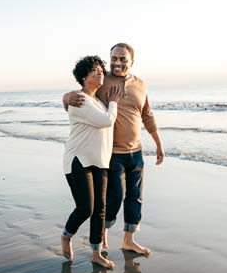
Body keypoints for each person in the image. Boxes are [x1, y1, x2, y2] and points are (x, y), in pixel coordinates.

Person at [63, 43, 164, 255]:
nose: (117, 63)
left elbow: (147, 114)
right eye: (114, 58)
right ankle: (103, 233)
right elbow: (83, 95)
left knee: (135, 197)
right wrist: (65, 97)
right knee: (115, 197)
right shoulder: (103, 80)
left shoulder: (141, 84)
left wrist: (158, 143)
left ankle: (129, 240)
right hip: (112, 154)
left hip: (135, 151)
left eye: (122, 59)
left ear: (131, 61)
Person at [62, 55, 123, 268]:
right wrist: (114, 102)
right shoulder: (79, 100)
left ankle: (96, 253)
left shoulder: (97, 101)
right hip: (78, 160)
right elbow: (106, 121)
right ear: (83, 77)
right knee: (86, 208)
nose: (99, 73)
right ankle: (67, 235)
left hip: (101, 161)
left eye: (100, 69)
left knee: (100, 209)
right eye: (94, 70)